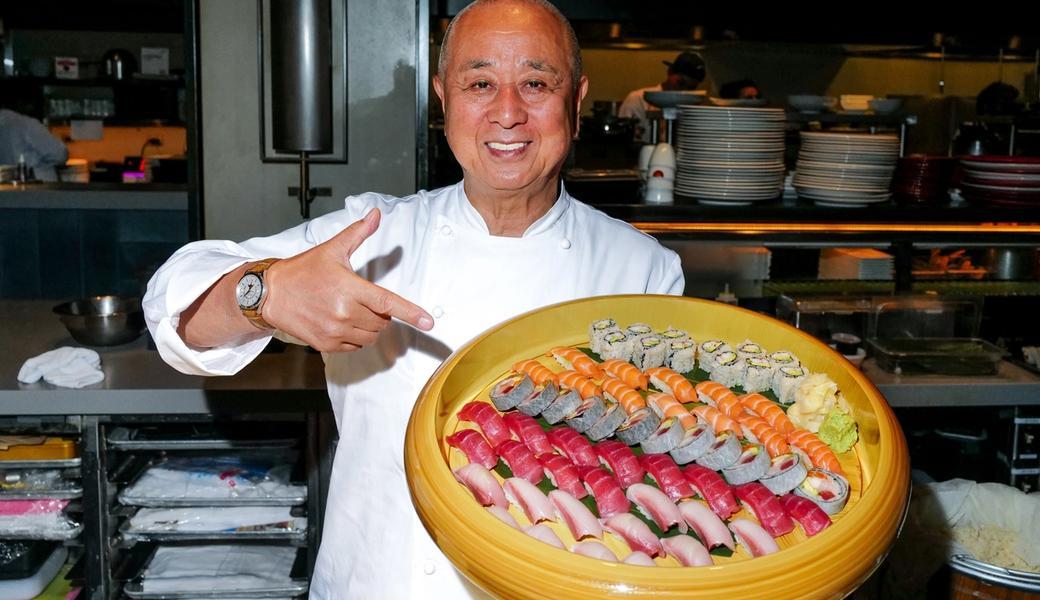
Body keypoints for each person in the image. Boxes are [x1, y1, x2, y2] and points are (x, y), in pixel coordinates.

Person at [143, 0, 684, 598]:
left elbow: (654, 472)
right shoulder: (376, 234)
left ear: (575, 101)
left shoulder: (644, 271)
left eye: (536, 83)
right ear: (442, 99)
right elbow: (176, 304)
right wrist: (265, 293)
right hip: (375, 579)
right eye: (480, 83)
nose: (508, 113)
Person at [618, 50, 706, 143]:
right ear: (670, 73)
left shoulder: (695, 108)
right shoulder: (637, 99)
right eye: (680, 83)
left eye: (691, 88)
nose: (683, 90)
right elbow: (621, 138)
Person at [0, 108, 67, 181]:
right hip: (40, 184)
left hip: (7, 186)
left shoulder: (5, 124)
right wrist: (40, 162)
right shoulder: (26, 124)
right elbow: (59, 154)